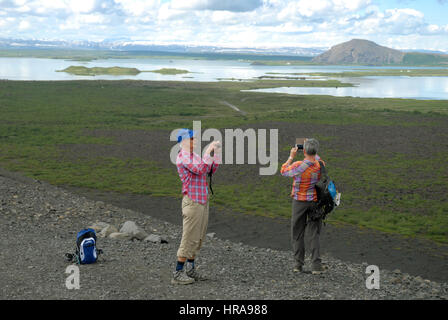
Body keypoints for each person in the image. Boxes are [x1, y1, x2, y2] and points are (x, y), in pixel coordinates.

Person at [172, 128, 221, 285]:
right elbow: (200, 169)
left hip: (202, 200)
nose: (196, 140)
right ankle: (178, 273)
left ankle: (191, 269)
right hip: (192, 202)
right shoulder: (183, 157)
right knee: (189, 237)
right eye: (193, 138)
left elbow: (209, 169)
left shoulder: (194, 156)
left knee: (198, 237)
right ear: (184, 141)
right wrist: (208, 151)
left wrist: (216, 153)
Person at [280, 138, 326, 275]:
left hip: (299, 202)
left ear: (304, 151)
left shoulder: (298, 165)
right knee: (314, 234)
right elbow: (317, 158)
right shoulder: (320, 165)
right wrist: (311, 149)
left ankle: (298, 264)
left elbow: (283, 171)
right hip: (315, 202)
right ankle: (316, 266)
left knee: (297, 233)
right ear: (316, 151)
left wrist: (291, 156)